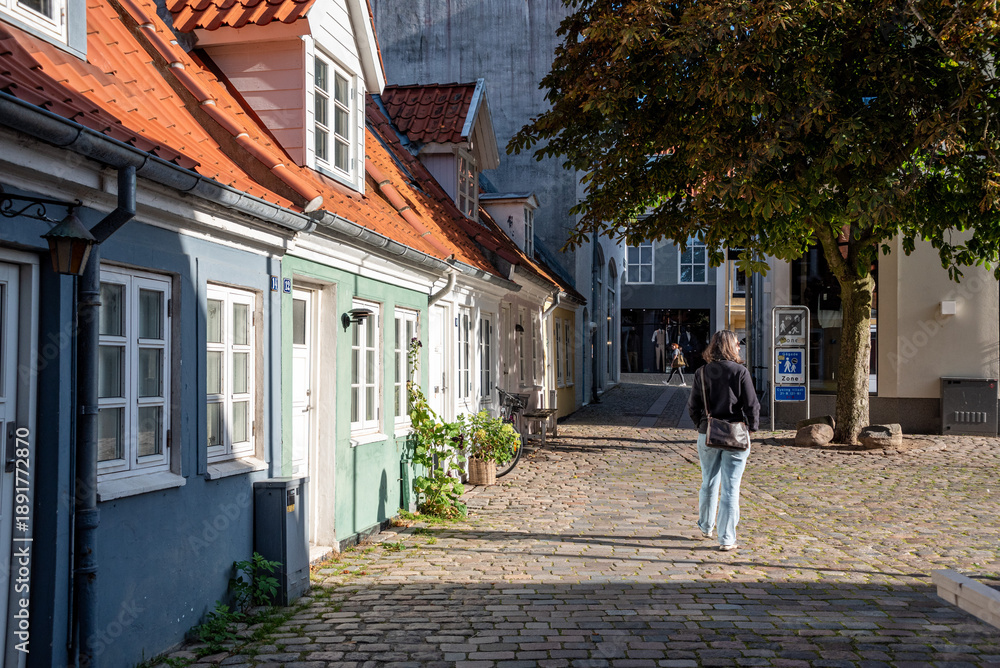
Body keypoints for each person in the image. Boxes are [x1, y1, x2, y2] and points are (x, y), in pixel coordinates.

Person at [686, 330, 760, 551]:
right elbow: (752, 405)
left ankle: (707, 526)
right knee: (731, 487)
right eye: (738, 344)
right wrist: (752, 428)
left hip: (707, 432)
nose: (740, 347)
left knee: (708, 482)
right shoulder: (740, 372)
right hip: (736, 434)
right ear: (731, 346)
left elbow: (693, 406)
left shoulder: (702, 372)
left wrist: (701, 425)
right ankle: (727, 538)